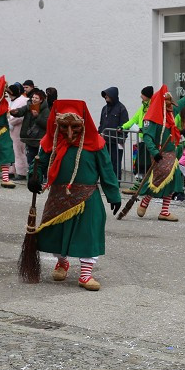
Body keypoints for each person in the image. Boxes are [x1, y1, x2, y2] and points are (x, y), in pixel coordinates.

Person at [28, 100, 122, 291]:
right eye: (64, 127)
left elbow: (106, 169)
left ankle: (85, 274)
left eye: (75, 127)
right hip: (59, 195)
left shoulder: (96, 142)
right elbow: (39, 162)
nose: (69, 133)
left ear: (83, 124)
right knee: (56, 232)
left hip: (87, 196)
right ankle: (62, 262)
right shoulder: (51, 141)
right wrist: (34, 177)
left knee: (89, 234)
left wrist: (113, 194)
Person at [132, 85, 185, 221]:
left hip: (171, 154)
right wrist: (155, 152)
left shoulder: (169, 113)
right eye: (167, 103)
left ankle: (164, 211)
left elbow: (178, 106)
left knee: (171, 181)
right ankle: (145, 202)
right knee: (158, 179)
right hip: (160, 154)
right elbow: (147, 137)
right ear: (161, 103)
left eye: (170, 102)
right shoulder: (152, 119)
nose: (171, 105)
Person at [10, 89, 50, 173]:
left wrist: (37, 116)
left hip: (39, 138)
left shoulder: (46, 110)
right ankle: (31, 174)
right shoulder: (29, 106)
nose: (34, 99)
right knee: (30, 157)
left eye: (36, 98)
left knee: (40, 159)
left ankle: (39, 175)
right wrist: (15, 112)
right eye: (33, 97)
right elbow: (21, 111)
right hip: (29, 137)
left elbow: (46, 124)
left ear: (41, 100)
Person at [98, 86, 129, 180]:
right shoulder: (104, 108)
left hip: (116, 142)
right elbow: (101, 123)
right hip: (104, 141)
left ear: (113, 96)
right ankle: (106, 181)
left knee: (115, 164)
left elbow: (125, 126)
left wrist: (121, 140)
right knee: (104, 163)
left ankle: (116, 182)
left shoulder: (121, 109)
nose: (106, 97)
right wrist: (99, 135)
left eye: (107, 95)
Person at [7, 83, 29, 180]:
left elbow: (20, 116)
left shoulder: (21, 101)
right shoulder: (13, 101)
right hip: (11, 129)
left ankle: (22, 172)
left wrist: (10, 122)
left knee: (19, 151)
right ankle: (11, 170)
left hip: (18, 129)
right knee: (12, 151)